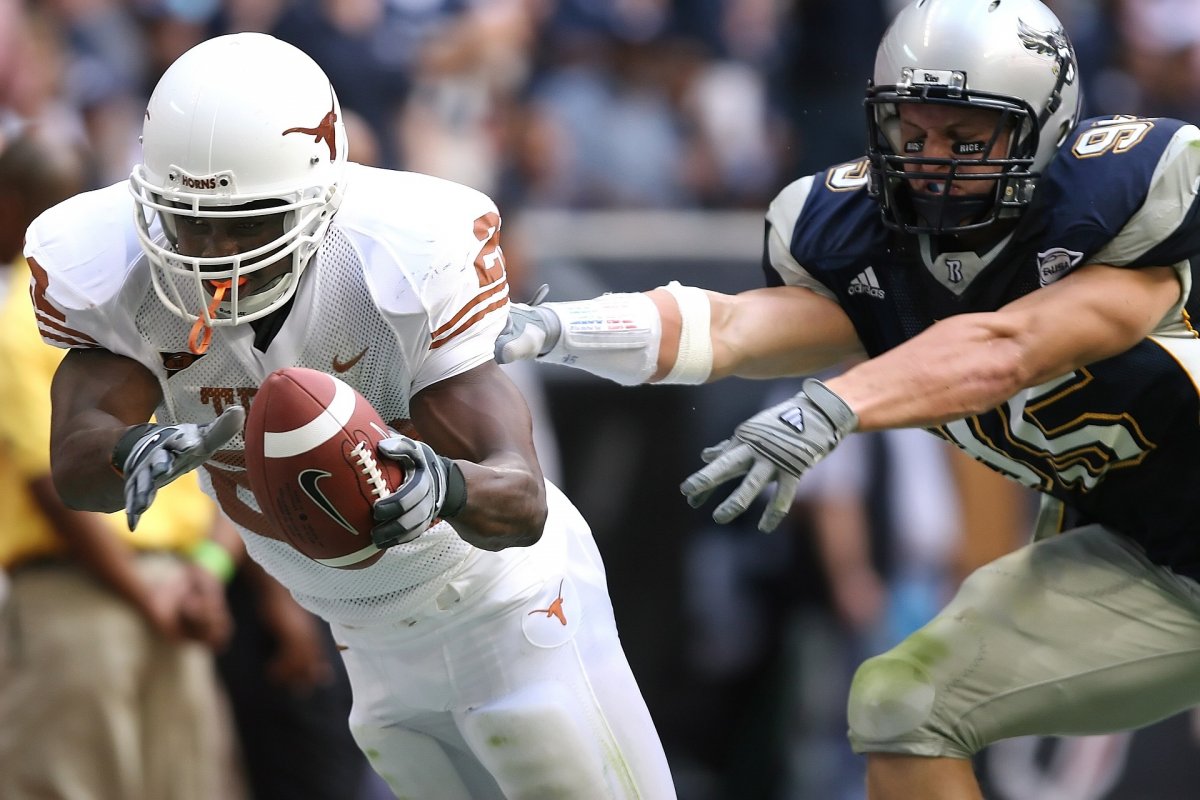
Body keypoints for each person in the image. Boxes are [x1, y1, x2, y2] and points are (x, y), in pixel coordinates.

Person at [494, 0, 1200, 797]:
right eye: (912, 132)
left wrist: (833, 405)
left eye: (966, 138)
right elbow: (729, 327)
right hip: (1149, 554)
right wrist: (559, 327)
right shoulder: (866, 243)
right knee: (902, 705)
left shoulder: (1118, 206)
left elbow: (1008, 349)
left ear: (1043, 128)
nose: (933, 162)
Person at [30, 32, 675, 800]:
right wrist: (125, 449)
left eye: (250, 221)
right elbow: (74, 464)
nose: (216, 253)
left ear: (323, 199)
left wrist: (445, 486)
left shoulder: (400, 257)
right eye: (191, 221)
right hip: (366, 645)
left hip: (508, 613)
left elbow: (522, 498)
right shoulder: (113, 267)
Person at [0, 122, 239, 800]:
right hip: (180, 590)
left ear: (8, 204)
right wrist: (207, 575)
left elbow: (51, 484)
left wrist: (155, 593)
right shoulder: (160, 301)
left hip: (82, 602)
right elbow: (235, 453)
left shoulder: (22, 314)